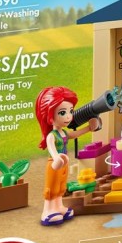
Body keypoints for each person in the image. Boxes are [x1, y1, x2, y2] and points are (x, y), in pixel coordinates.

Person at [35, 86, 98, 226]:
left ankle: (58, 207)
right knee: (51, 188)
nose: (69, 116)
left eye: (71, 111)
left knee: (61, 187)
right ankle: (47, 211)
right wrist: (57, 158)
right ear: (50, 117)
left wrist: (89, 128)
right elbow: (52, 149)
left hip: (64, 163)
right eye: (63, 113)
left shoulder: (63, 133)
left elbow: (74, 134)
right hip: (54, 164)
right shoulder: (52, 136)